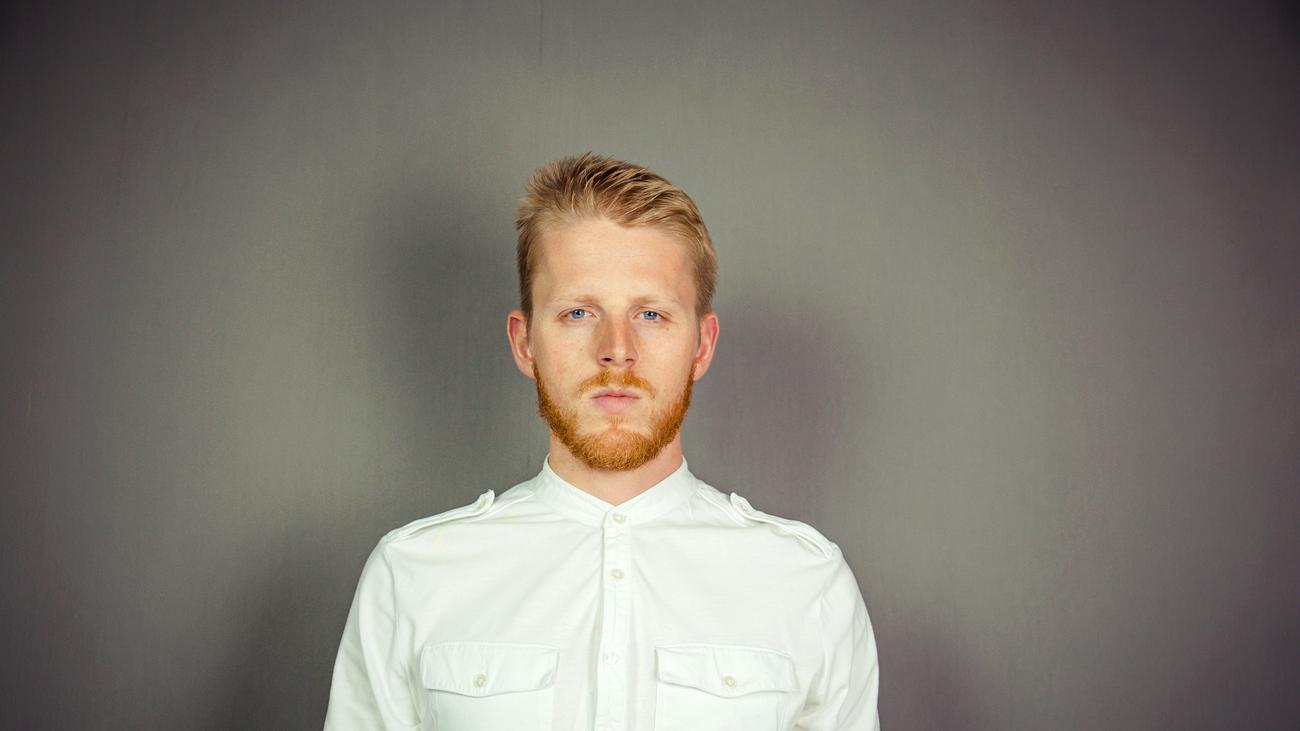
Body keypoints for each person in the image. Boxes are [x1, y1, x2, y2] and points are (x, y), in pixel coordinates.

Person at [324, 152, 881, 730]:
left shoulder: (807, 585)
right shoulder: (412, 576)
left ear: (702, 345)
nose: (617, 350)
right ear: (525, 343)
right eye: (578, 312)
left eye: (651, 314)